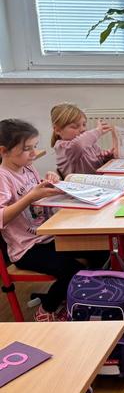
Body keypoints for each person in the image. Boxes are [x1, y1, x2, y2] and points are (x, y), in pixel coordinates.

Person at [0, 119, 91, 320]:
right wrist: (30, 197)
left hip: (47, 236)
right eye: (27, 149)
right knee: (73, 270)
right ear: (4, 151)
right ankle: (47, 310)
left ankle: (74, 297)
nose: (34, 153)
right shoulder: (3, 177)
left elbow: (36, 192)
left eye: (35, 146)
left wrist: (48, 181)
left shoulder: (27, 167)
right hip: (27, 248)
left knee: (98, 251)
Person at [51, 103, 114, 176]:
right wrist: (97, 131)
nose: (83, 129)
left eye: (84, 124)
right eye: (75, 126)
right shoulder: (63, 147)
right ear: (58, 130)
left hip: (97, 179)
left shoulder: (88, 144)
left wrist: (106, 158)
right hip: (77, 183)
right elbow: (78, 145)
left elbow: (98, 164)